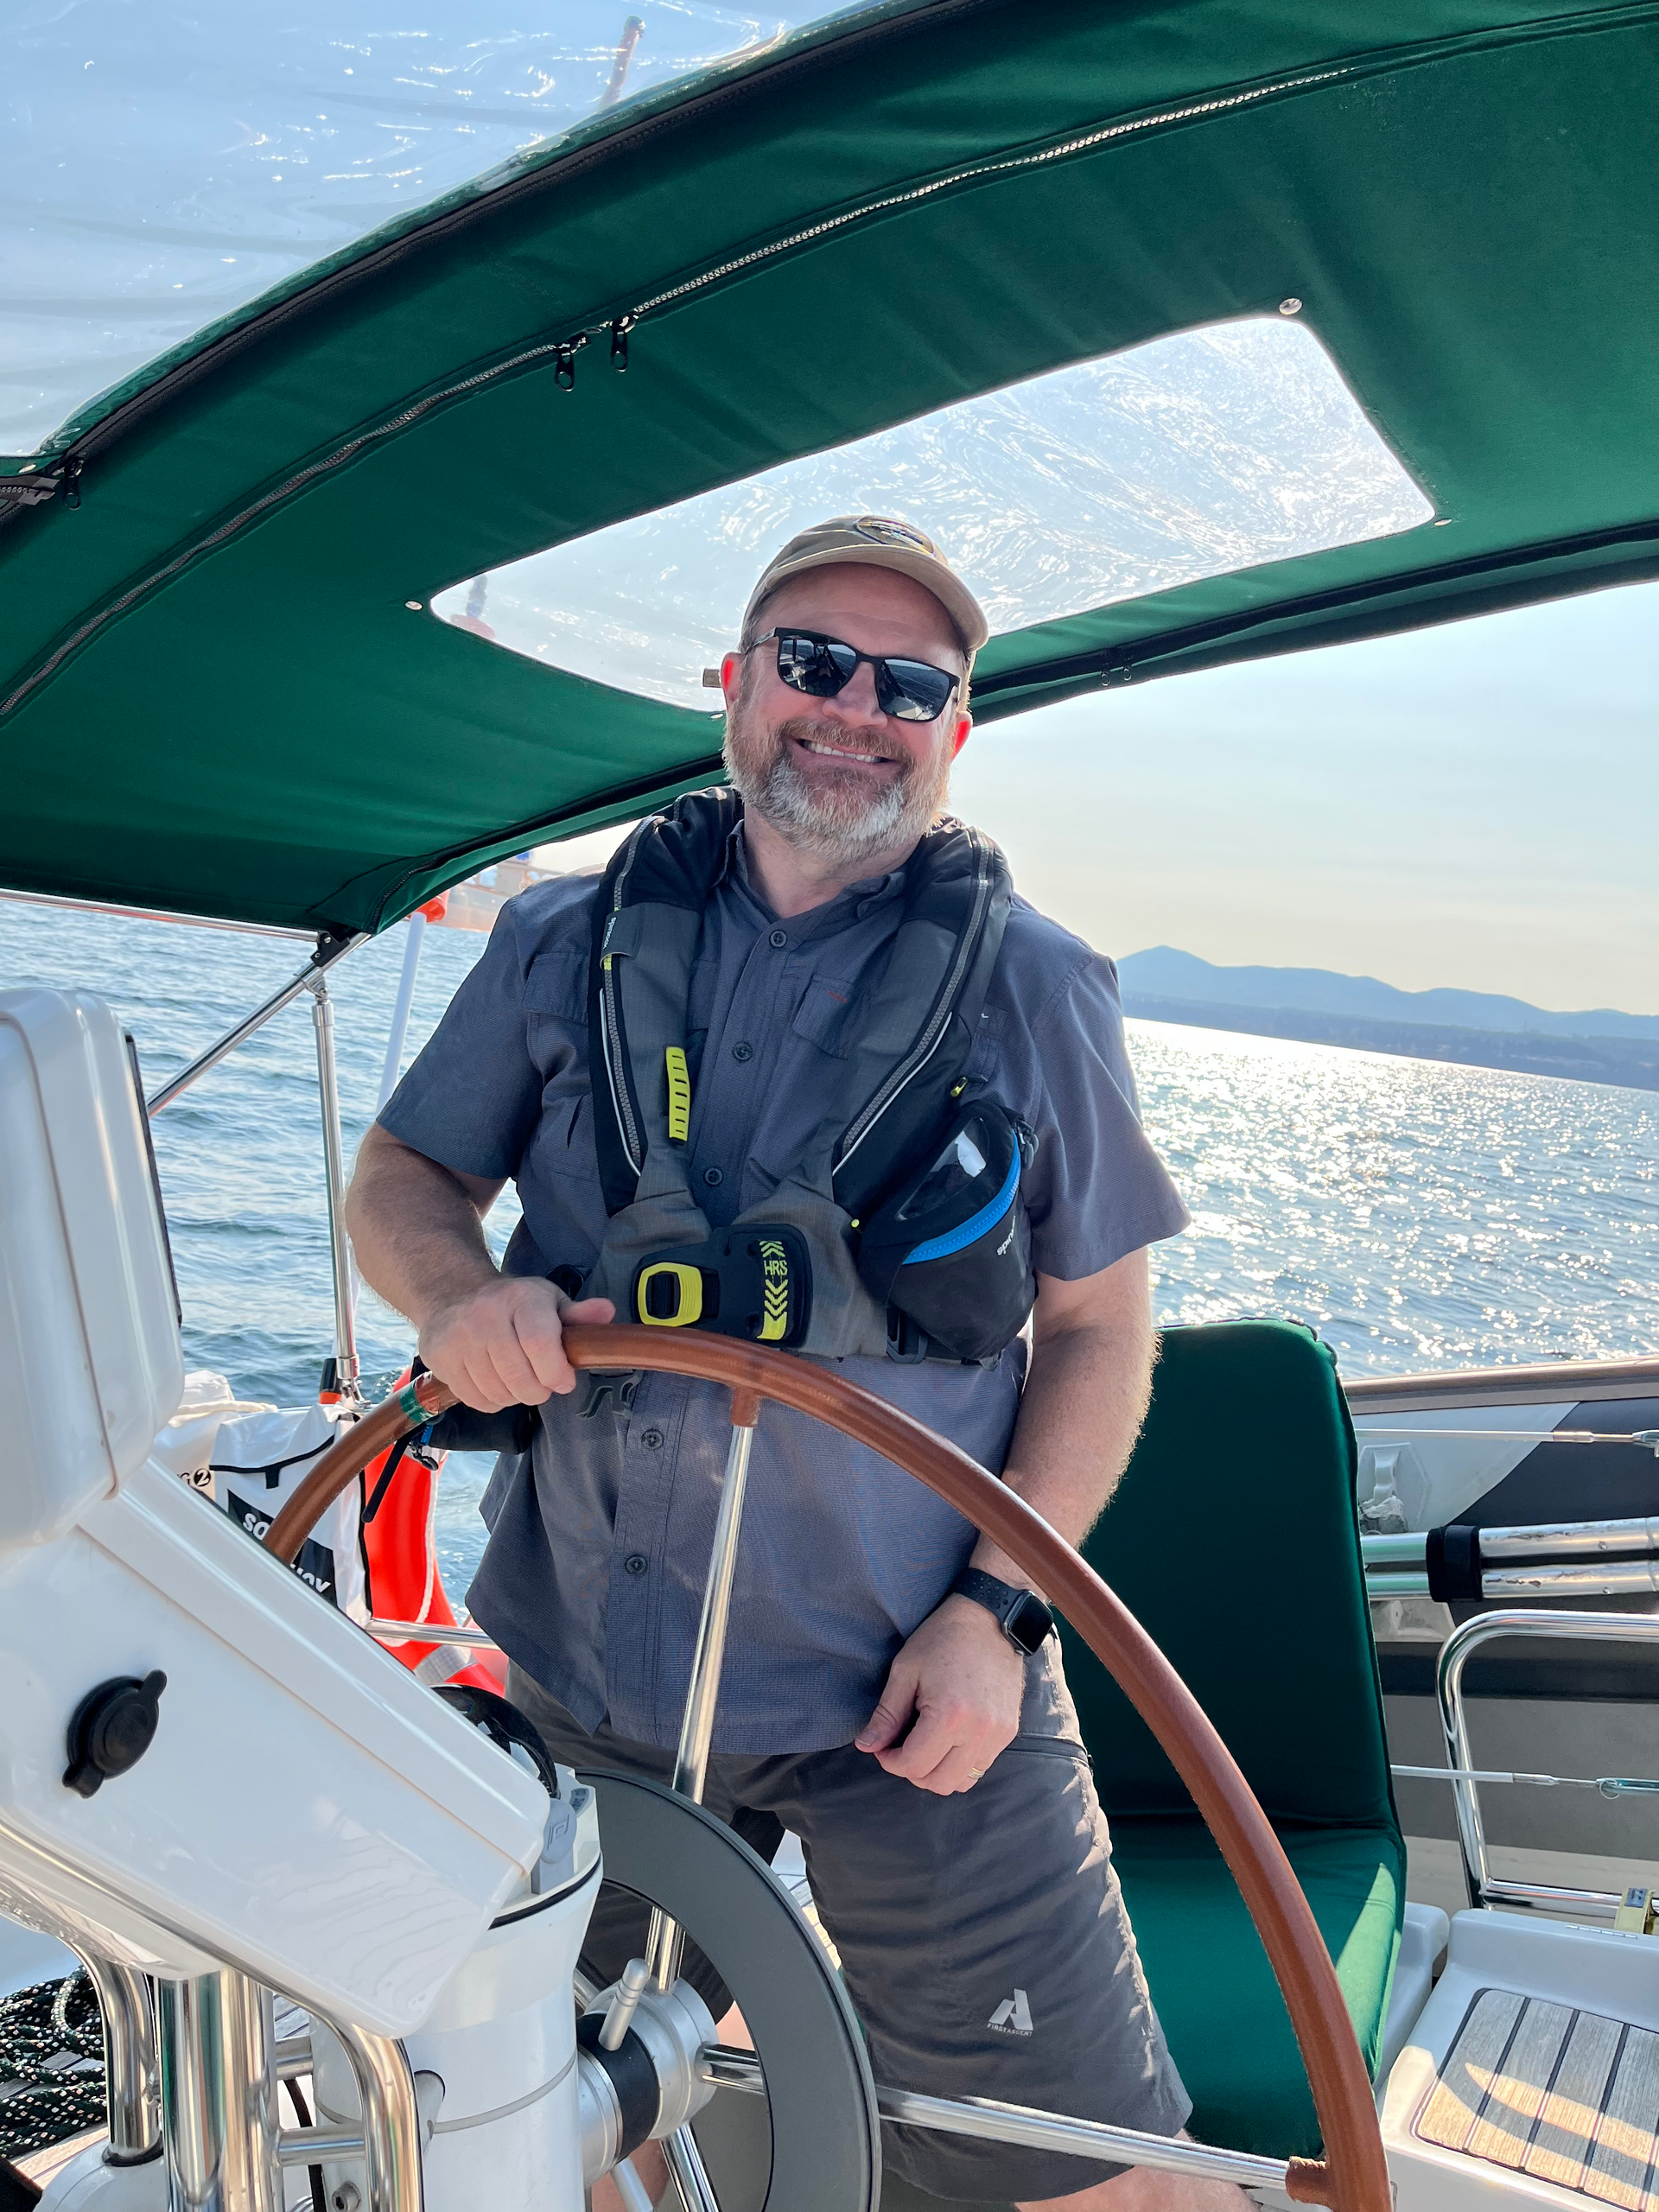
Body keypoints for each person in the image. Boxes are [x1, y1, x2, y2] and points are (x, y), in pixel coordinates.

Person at [346, 516, 1233, 2212]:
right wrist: (457, 1295)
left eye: (912, 682)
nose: (855, 707)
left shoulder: (1038, 991)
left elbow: (1104, 1329)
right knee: (513, 2126)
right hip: (582, 1673)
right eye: (813, 659)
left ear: (955, 729)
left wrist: (1000, 1613)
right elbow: (403, 1184)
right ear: (732, 689)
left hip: (913, 1692)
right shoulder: (556, 941)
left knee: (1103, 2179)